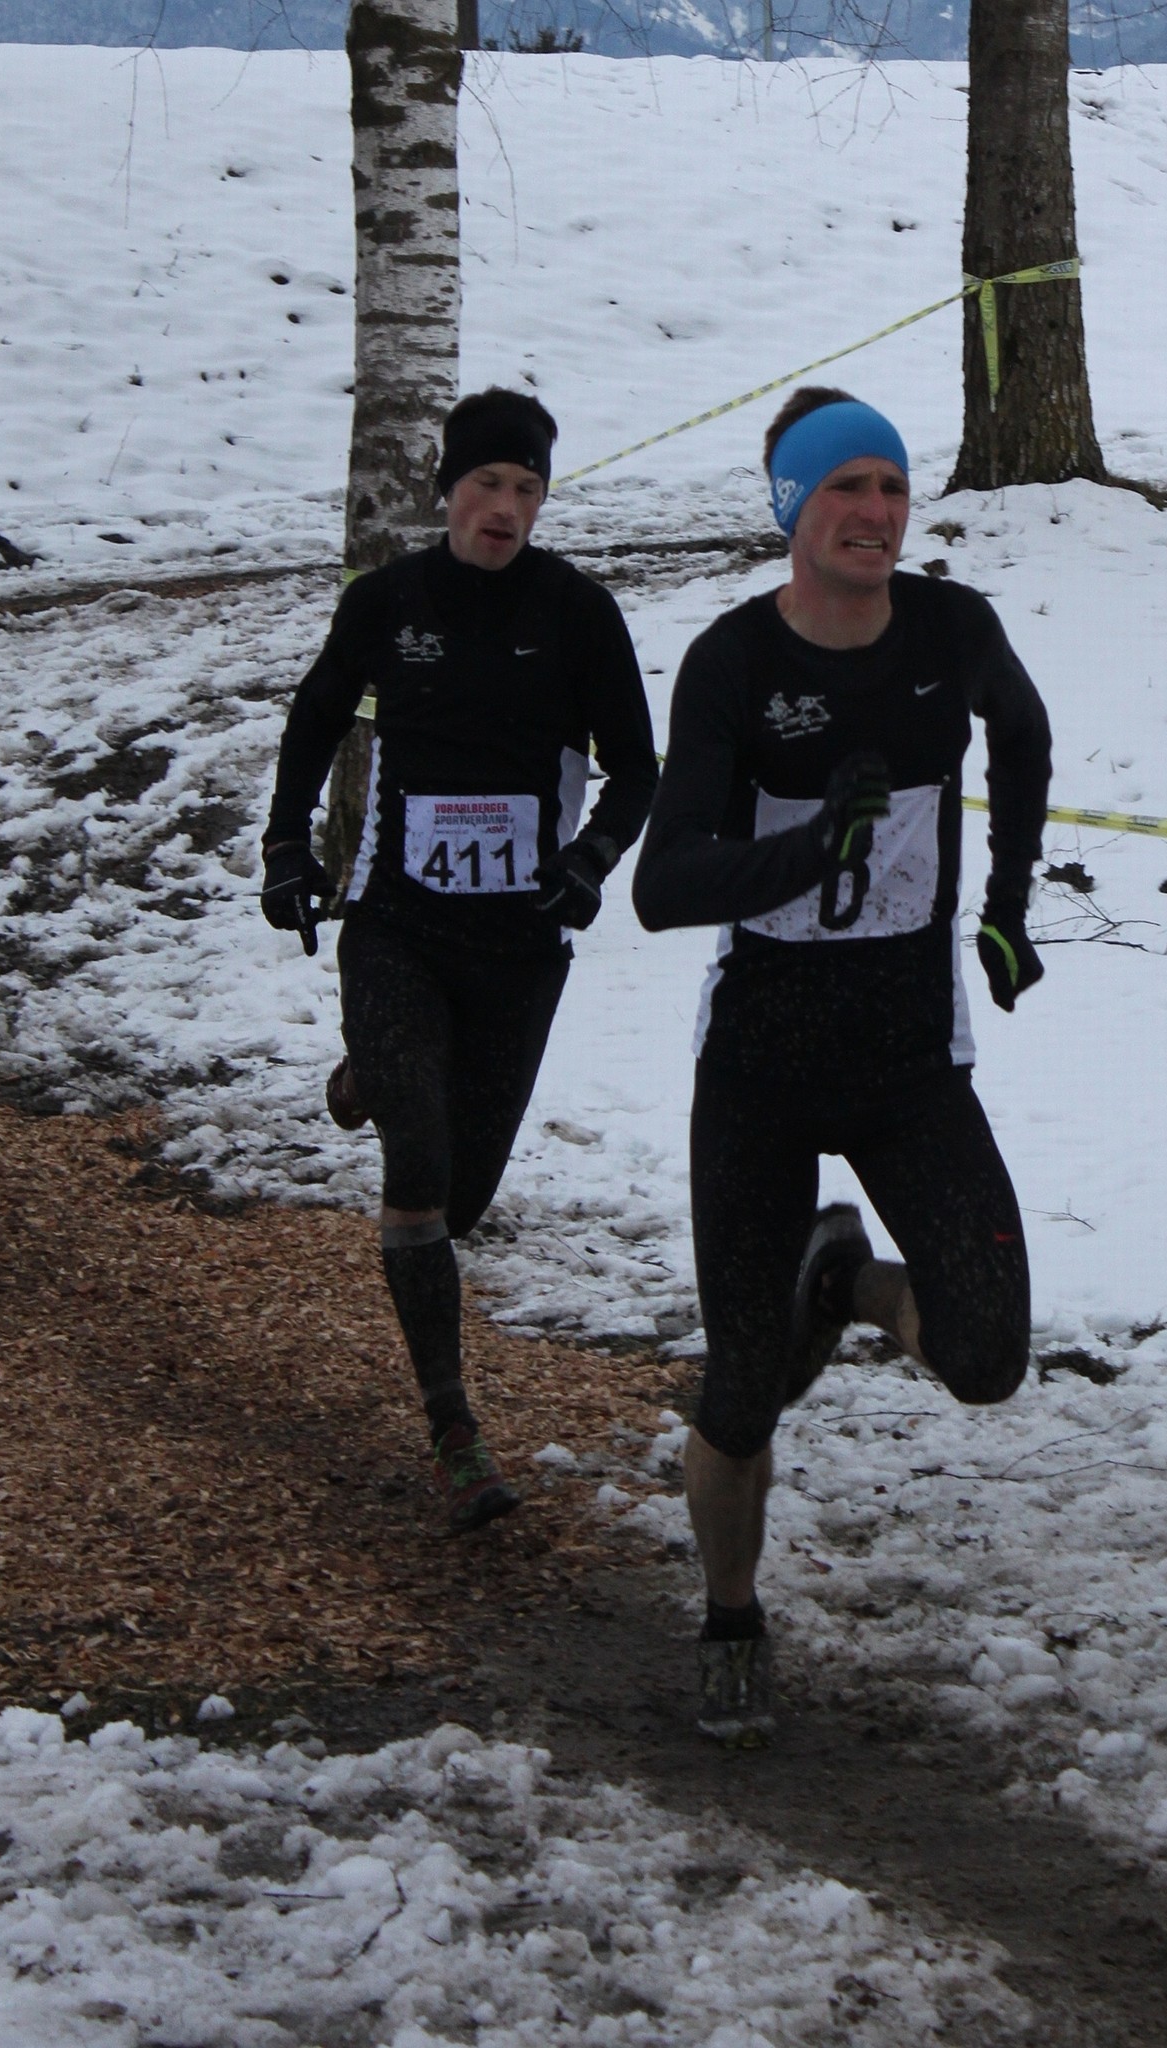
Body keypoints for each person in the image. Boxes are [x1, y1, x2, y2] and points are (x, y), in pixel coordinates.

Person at [632, 387, 1051, 1743]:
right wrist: (812, 849)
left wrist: (1007, 902)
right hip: (761, 1059)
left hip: (904, 1053)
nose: (876, 512)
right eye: (845, 489)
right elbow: (662, 883)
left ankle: (844, 1284)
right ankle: (731, 1618)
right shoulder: (732, 663)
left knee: (986, 1353)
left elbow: (1023, 734)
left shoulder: (951, 629)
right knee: (741, 1387)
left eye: (891, 486)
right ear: (790, 509)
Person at [259, 387, 658, 1534]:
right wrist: (287, 845)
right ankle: (453, 1429)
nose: (505, 507)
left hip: (518, 951)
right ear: (447, 489)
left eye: (526, 488)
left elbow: (636, 769)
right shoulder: (388, 602)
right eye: (487, 482)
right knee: (420, 1165)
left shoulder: (577, 612)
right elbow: (314, 717)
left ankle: (377, 1077)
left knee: (461, 1199)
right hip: (398, 925)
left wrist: (588, 861)